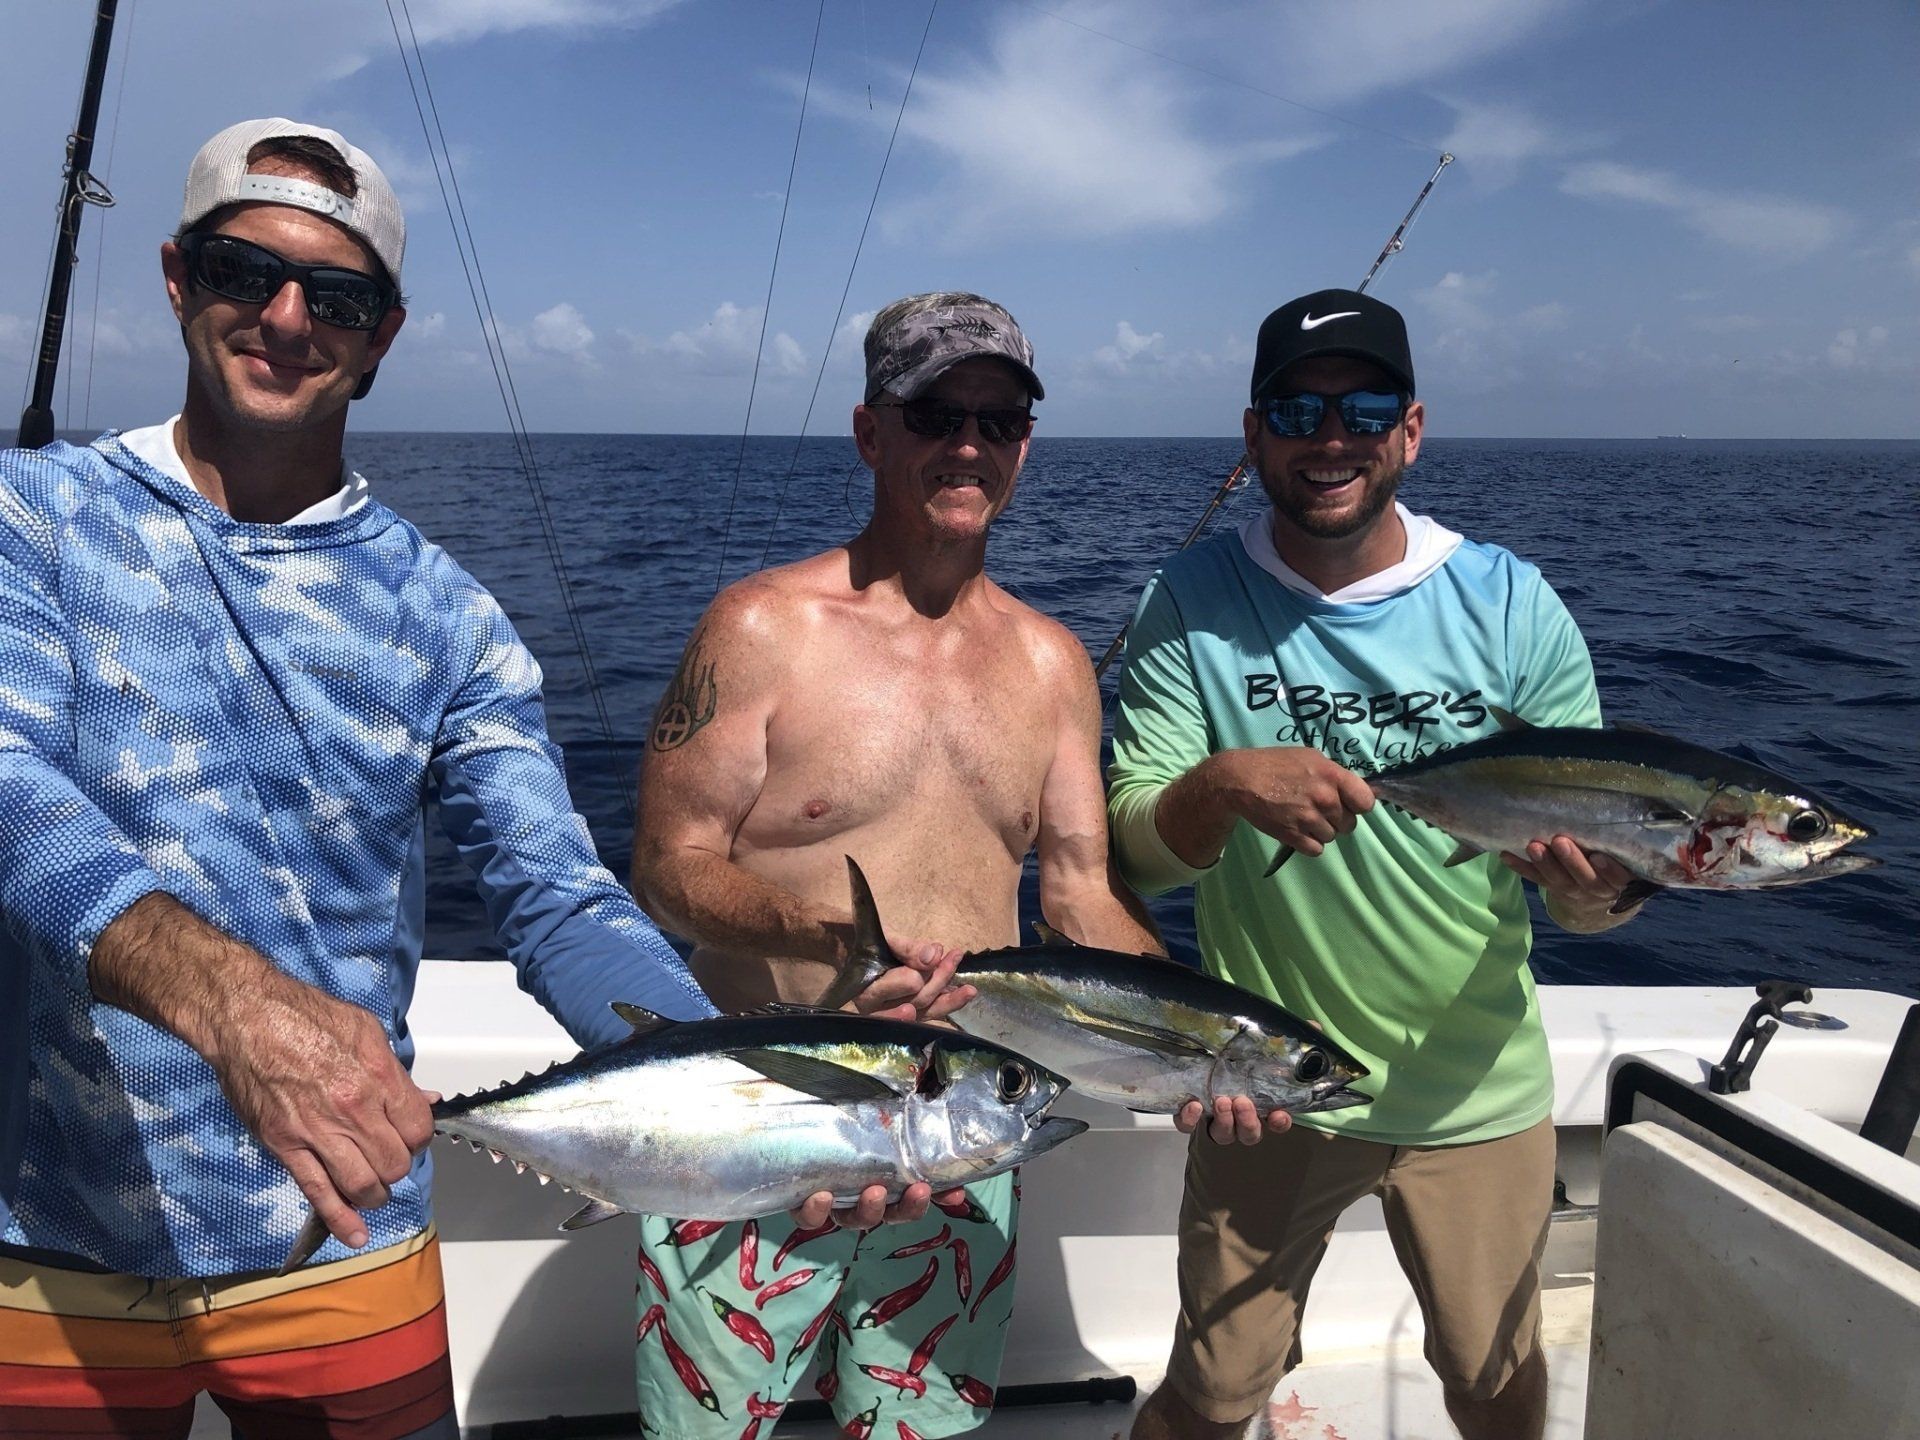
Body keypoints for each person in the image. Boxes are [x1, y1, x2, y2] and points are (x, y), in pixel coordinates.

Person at [0, 119, 722, 1440]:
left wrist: (741, 1084)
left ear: (384, 334)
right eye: (241, 271)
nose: (285, 317)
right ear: (175, 276)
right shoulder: (29, 518)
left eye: (335, 296)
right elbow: (7, 789)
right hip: (48, 1235)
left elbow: (558, 901)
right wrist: (234, 1005)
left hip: (344, 1243)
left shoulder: (450, 620)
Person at [1109, 289, 1643, 1440]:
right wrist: (1219, 788)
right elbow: (1137, 855)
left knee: (1494, 1375)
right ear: (1254, 434)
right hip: (1269, 1086)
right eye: (1299, 410)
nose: (1331, 438)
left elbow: (1596, 895)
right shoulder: (1189, 601)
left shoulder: (1512, 603)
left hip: (1477, 1084)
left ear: (1410, 427)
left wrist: (1589, 894)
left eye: (1362, 409)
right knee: (1212, 1390)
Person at [629, 291, 1164, 1438]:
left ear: (1026, 442)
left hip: (962, 1142)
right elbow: (668, 868)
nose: (968, 444)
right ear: (873, 431)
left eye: (1000, 418)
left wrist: (1205, 1046)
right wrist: (829, 942)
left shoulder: (1054, 663)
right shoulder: (761, 627)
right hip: (759, 1129)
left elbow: (1077, 892)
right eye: (934, 413)